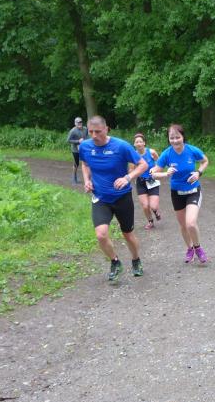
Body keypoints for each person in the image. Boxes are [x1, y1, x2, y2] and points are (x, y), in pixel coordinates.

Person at [79, 116, 149, 281]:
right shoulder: (85, 146)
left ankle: (136, 260)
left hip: (122, 197)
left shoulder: (121, 146)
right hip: (100, 198)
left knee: (128, 234)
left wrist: (127, 177)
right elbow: (85, 164)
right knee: (101, 235)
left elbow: (143, 165)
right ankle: (115, 262)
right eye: (91, 132)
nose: (94, 135)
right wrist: (87, 180)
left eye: (98, 132)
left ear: (106, 129)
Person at [151, 124, 210, 263]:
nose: (175, 140)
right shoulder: (167, 154)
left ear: (183, 137)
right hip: (177, 193)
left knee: (190, 223)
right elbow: (153, 173)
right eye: (172, 138)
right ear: (168, 139)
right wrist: (166, 173)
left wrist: (198, 173)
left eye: (177, 137)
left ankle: (198, 248)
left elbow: (205, 161)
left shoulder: (192, 150)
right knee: (183, 225)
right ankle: (189, 248)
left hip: (193, 191)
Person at [133, 133, 162, 230]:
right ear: (134, 144)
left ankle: (156, 211)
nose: (139, 143)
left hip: (152, 180)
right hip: (140, 182)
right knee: (145, 206)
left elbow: (159, 163)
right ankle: (150, 222)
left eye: (140, 141)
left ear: (144, 143)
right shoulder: (133, 155)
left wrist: (156, 170)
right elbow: (131, 170)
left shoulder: (151, 152)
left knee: (153, 206)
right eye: (136, 142)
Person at [67, 117, 89, 184]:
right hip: (75, 150)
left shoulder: (85, 129)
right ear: (75, 123)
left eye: (80, 122)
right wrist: (78, 141)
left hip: (84, 148)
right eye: (78, 122)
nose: (79, 123)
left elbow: (86, 137)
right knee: (76, 163)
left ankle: (88, 178)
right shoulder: (73, 131)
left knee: (86, 162)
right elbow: (68, 140)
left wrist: (86, 142)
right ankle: (74, 177)